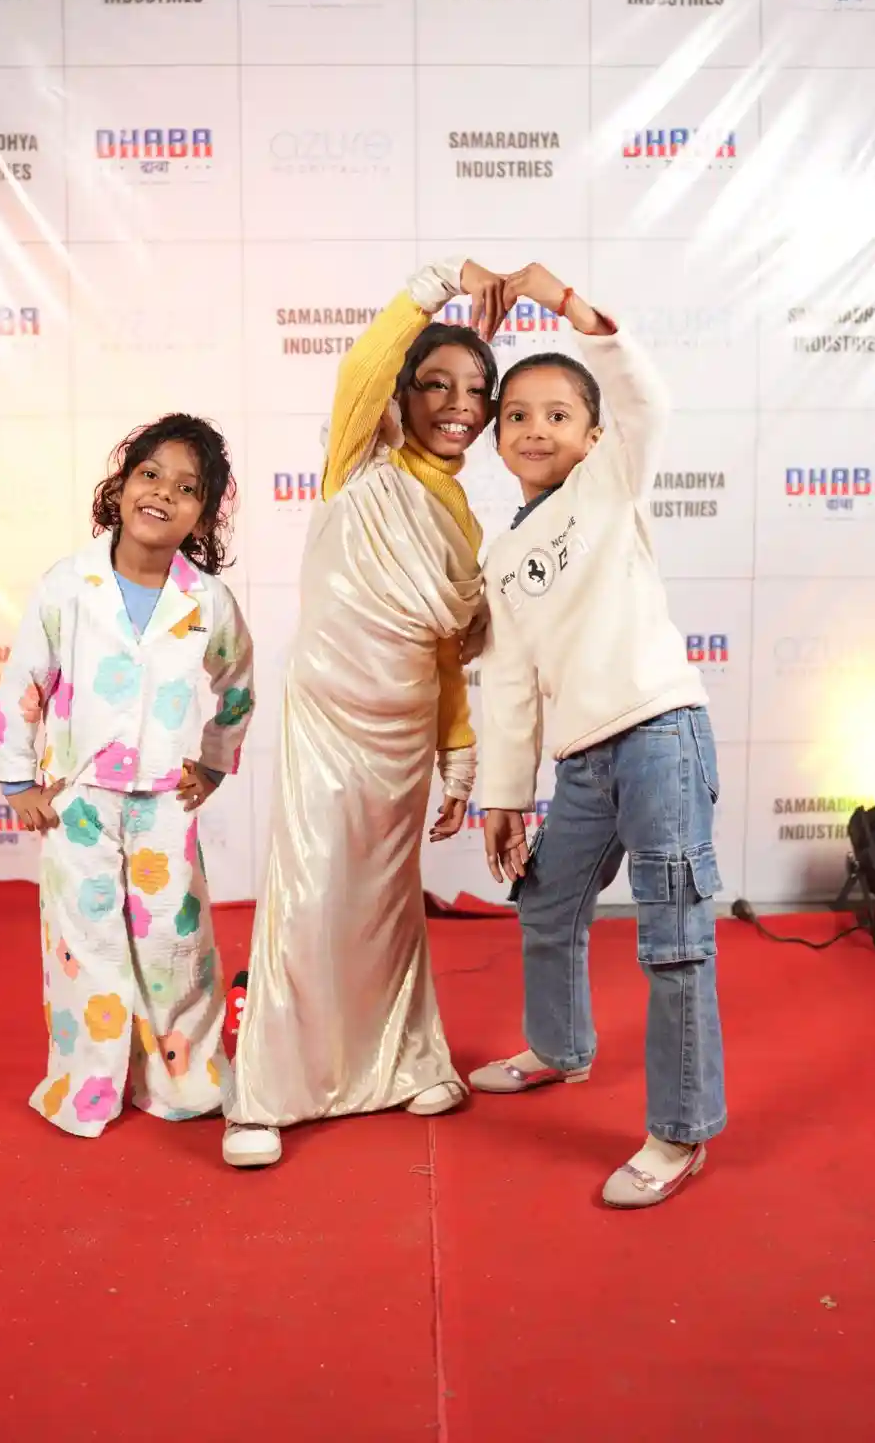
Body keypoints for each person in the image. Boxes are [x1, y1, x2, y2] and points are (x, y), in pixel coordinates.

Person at [223, 256, 505, 1168]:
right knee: (310, 895)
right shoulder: (360, 463)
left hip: (405, 731)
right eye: (436, 383)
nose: (459, 405)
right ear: (401, 394)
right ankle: (267, 1092)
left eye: (477, 389)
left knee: (385, 904)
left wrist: (457, 758)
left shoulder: (463, 516)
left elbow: (446, 651)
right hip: (331, 720)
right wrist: (441, 280)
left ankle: (400, 1060)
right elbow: (360, 367)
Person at [473, 263, 725, 1209]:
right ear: (496, 437)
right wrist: (504, 797)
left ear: (591, 433)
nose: (534, 428)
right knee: (544, 905)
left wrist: (569, 307)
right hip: (580, 762)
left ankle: (679, 1131)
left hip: (659, 736)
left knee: (673, 940)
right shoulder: (501, 555)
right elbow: (508, 682)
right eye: (515, 416)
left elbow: (643, 398)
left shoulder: (612, 480)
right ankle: (558, 1047)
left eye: (556, 413)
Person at [0, 415, 254, 1137]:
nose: (163, 494)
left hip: (165, 803)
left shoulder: (207, 601)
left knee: (176, 948)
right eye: (150, 475)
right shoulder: (67, 585)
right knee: (87, 951)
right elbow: (24, 683)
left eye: (187, 489)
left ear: (204, 515)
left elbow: (237, 687)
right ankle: (86, 1089)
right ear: (121, 484)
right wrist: (18, 781)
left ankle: (186, 1082)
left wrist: (214, 761)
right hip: (77, 801)